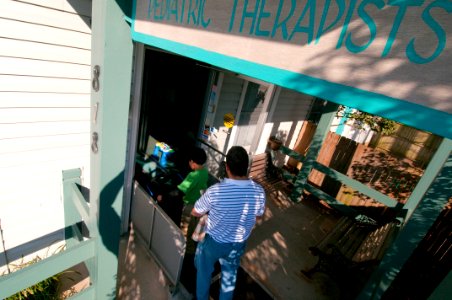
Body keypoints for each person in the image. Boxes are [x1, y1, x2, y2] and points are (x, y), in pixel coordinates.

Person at [191, 146, 266, 300]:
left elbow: (195, 212)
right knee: (228, 279)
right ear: (246, 167)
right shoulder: (259, 191)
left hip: (214, 242)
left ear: (227, 167)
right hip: (238, 244)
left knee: (203, 273)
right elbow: (258, 217)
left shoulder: (216, 191)